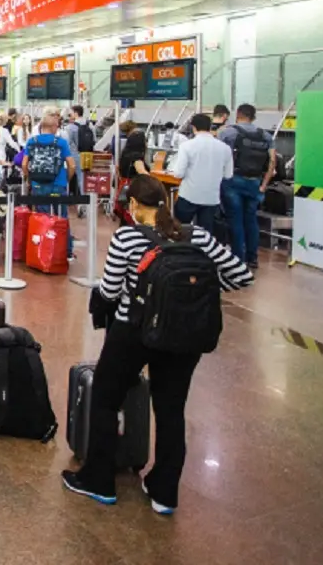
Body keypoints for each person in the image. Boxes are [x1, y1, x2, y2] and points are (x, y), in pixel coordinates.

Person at [62, 174, 253, 513]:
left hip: (132, 330)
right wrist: (193, 292)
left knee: (106, 399)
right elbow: (241, 275)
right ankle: (164, 492)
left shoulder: (127, 237)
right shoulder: (199, 236)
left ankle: (99, 481)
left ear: (133, 205)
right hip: (184, 334)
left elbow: (109, 290)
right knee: (170, 410)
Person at [218, 104, 276, 269]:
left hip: (233, 181)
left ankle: (238, 258)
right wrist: (263, 185)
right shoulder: (265, 135)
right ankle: (253, 258)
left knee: (235, 219)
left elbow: (219, 155)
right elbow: (272, 161)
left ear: (238, 115)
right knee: (251, 220)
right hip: (255, 182)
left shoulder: (228, 132)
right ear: (254, 116)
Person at [22, 113, 76, 260]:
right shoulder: (61, 142)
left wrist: (29, 179)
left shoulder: (31, 141)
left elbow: (24, 164)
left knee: (41, 217)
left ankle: (42, 248)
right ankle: (66, 251)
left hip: (38, 184)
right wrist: (66, 179)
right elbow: (72, 165)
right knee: (61, 217)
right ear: (53, 127)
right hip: (58, 184)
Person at [168, 113, 232, 231]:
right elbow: (228, 175)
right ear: (209, 127)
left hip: (188, 196)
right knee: (206, 234)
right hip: (211, 198)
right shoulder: (225, 148)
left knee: (180, 230)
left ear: (193, 127)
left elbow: (178, 173)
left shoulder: (187, 146)